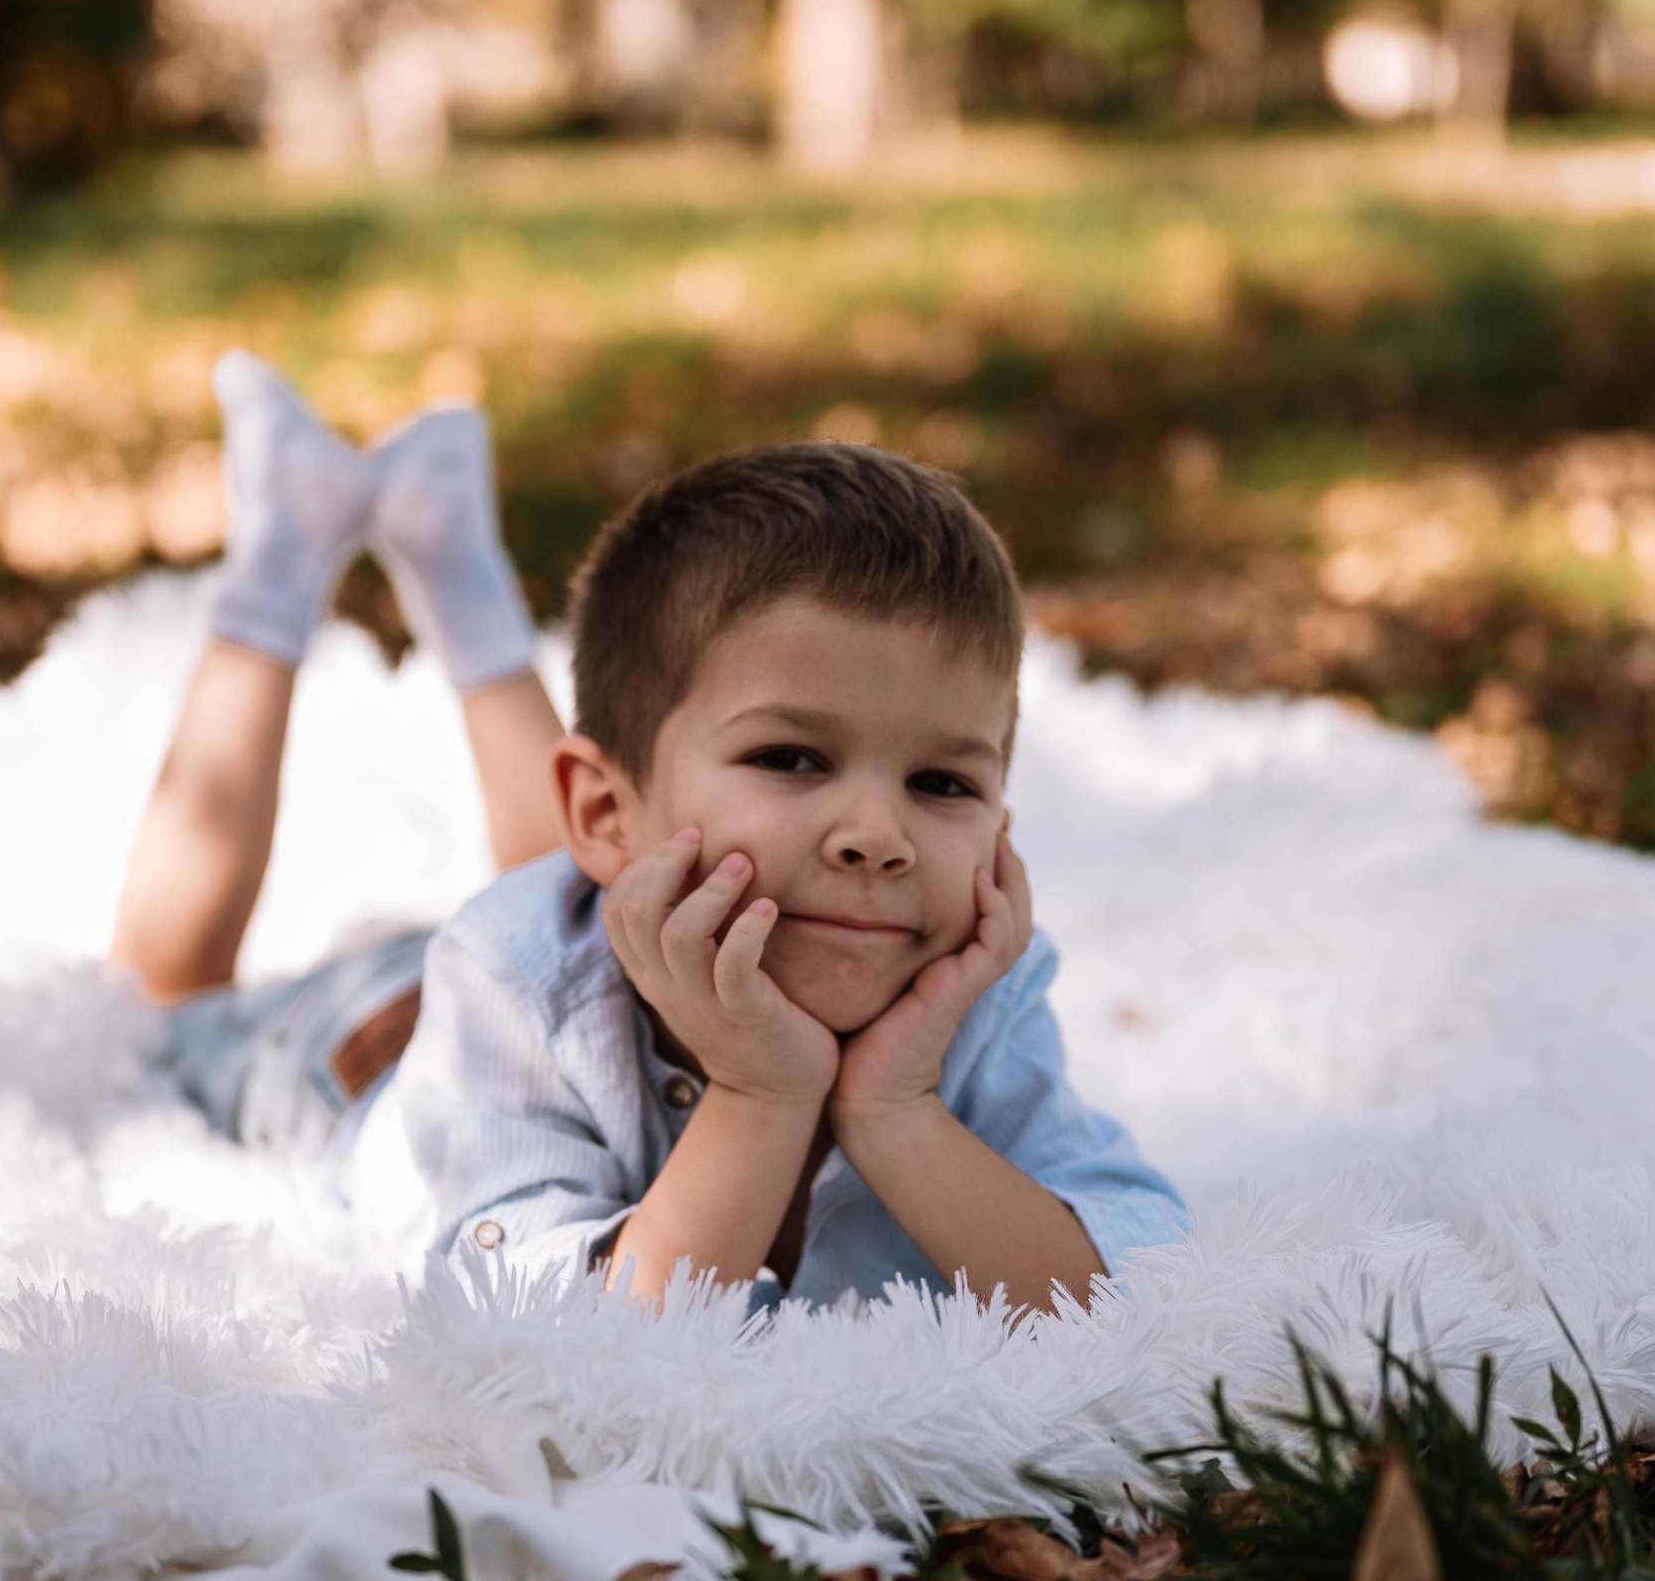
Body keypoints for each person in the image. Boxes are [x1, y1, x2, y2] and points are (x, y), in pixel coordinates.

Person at [113, 351, 1189, 1315]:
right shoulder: (511, 979)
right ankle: (279, 562)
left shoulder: (970, 984)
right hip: (364, 1043)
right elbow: (579, 1363)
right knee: (162, 993)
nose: (878, 834)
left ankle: (452, 559)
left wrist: (896, 1108)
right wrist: (765, 1094)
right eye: (790, 758)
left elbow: (1144, 1297)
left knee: (631, 841)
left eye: (943, 781)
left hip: (590, 919)